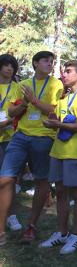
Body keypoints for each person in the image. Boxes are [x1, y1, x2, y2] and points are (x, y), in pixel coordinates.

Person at [0, 51, 64, 246]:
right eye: (45, 60)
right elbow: (12, 110)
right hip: (20, 136)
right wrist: (25, 103)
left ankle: (31, 226)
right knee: (5, 178)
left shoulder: (56, 84)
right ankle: (1, 229)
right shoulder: (23, 84)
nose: (50, 64)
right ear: (35, 63)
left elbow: (55, 109)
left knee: (41, 180)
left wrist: (35, 101)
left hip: (44, 137)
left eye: (51, 62)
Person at [39, 60, 77, 254]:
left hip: (75, 152)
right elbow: (61, 122)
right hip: (59, 150)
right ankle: (62, 232)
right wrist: (54, 121)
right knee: (61, 191)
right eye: (64, 71)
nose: (64, 74)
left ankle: (76, 235)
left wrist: (59, 125)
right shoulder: (64, 98)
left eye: (69, 71)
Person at [0, 54, 22, 233]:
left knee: (8, 179)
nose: (9, 69)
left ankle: (11, 215)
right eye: (6, 65)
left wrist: (7, 123)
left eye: (12, 66)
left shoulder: (17, 88)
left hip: (10, 138)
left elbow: (20, 110)